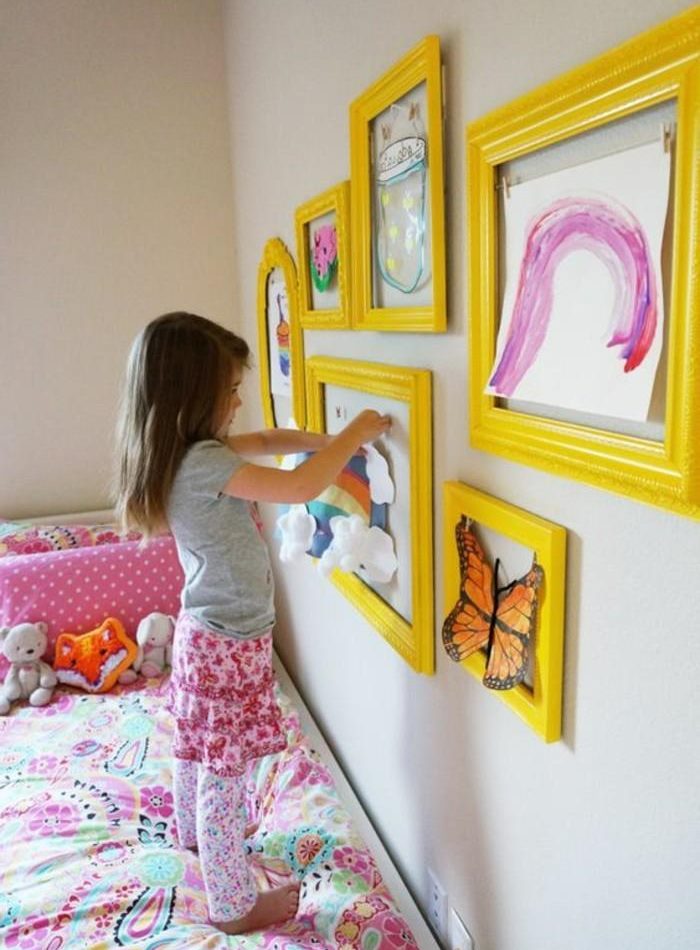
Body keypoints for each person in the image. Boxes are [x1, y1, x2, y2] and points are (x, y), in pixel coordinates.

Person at [114, 311, 390, 935]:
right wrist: (353, 436)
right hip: (229, 641)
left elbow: (265, 443)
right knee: (225, 771)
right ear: (192, 394)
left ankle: (192, 834)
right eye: (230, 389)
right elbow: (297, 489)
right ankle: (233, 902)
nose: (238, 399)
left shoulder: (188, 453)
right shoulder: (204, 464)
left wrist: (312, 439)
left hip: (203, 635)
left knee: (198, 746)